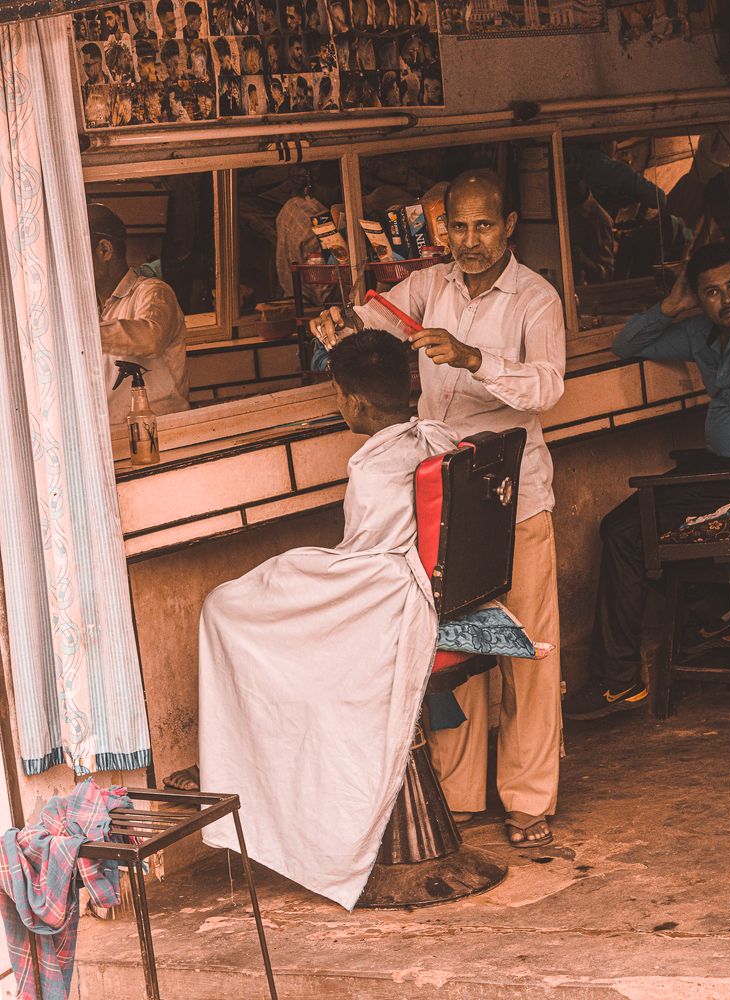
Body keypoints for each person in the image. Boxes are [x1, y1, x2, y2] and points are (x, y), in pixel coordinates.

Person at [311, 168, 567, 848]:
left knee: (527, 651)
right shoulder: (429, 287)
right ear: (442, 229)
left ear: (509, 226)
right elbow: (372, 319)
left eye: (484, 225)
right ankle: (460, 794)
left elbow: (548, 387)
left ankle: (529, 801)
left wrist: (473, 358)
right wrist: (340, 321)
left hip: (514, 498)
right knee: (455, 642)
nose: (471, 240)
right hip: (444, 503)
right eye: (458, 227)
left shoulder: (535, 298)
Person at [166, 330, 459, 911]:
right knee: (277, 590)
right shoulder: (440, 438)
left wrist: (305, 574)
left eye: (338, 396)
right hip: (430, 592)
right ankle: (246, 759)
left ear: (352, 401)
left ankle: (245, 763)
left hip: (386, 603)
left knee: (225, 608)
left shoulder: (376, 468)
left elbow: (365, 559)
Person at [564, 243, 730, 720]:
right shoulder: (698, 334)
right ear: (699, 298)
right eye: (712, 292)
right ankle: (715, 612)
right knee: (620, 527)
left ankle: (617, 680)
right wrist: (669, 307)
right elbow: (625, 345)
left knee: (627, 533)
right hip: (716, 470)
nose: (727, 299)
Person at [88, 204, 190, 425]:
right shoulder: (91, 308)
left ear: (104, 250)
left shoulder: (154, 292)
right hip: (117, 436)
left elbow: (151, 338)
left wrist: (83, 333)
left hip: (163, 432)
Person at [275, 162, 340, 304]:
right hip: (311, 308)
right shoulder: (318, 228)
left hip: (290, 300)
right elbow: (325, 293)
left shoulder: (291, 206)